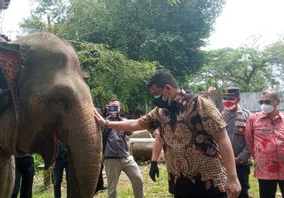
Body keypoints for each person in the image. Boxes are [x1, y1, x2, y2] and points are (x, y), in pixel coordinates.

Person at [94, 69, 241, 198]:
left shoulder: (201, 104)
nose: (155, 98)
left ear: (168, 88)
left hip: (209, 183)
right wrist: (106, 123)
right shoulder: (161, 112)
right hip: (180, 184)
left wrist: (233, 178)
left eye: (156, 94)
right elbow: (136, 123)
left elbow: (222, 138)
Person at [245, 89, 284, 198]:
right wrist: (258, 157)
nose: (263, 105)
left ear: (277, 101)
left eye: (267, 102)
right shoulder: (253, 119)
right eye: (261, 102)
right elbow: (249, 141)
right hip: (265, 169)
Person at [102, 98, 144, 198]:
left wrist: (120, 119)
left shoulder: (124, 121)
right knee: (112, 189)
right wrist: (105, 117)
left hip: (126, 157)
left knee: (138, 179)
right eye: (112, 107)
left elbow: (130, 132)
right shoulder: (103, 122)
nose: (114, 109)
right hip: (111, 159)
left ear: (119, 108)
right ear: (108, 108)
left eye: (116, 107)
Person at [220, 87, 251, 198]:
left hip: (241, 165)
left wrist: (240, 158)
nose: (227, 101)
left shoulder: (247, 116)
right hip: (221, 165)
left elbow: (250, 142)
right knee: (223, 192)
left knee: (241, 192)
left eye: (230, 98)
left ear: (238, 99)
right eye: (224, 98)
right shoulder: (217, 116)